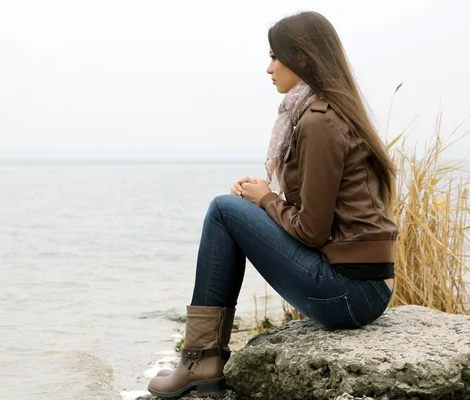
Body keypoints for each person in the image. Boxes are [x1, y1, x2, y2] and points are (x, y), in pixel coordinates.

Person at [146, 10, 398, 398]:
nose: (268, 68)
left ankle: (200, 359)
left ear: (302, 58)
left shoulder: (318, 121)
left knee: (222, 209)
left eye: (274, 56)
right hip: (363, 288)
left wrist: (264, 199)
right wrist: (262, 200)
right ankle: (203, 359)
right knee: (231, 210)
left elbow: (311, 231)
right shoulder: (327, 112)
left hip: (350, 293)